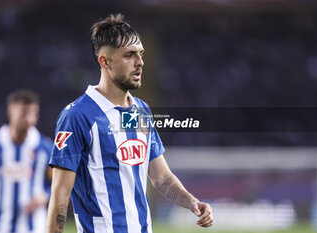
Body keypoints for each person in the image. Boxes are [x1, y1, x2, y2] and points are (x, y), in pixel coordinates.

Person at [46, 14, 213, 233]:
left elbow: (161, 177)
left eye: (140, 54)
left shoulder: (140, 110)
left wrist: (191, 202)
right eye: (129, 55)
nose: (140, 62)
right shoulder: (77, 116)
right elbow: (60, 195)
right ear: (104, 61)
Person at [0, 89, 52, 233]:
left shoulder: (45, 148)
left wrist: (44, 196)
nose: (29, 118)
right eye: (24, 112)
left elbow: (56, 183)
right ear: (10, 111)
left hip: (34, 227)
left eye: (33, 113)